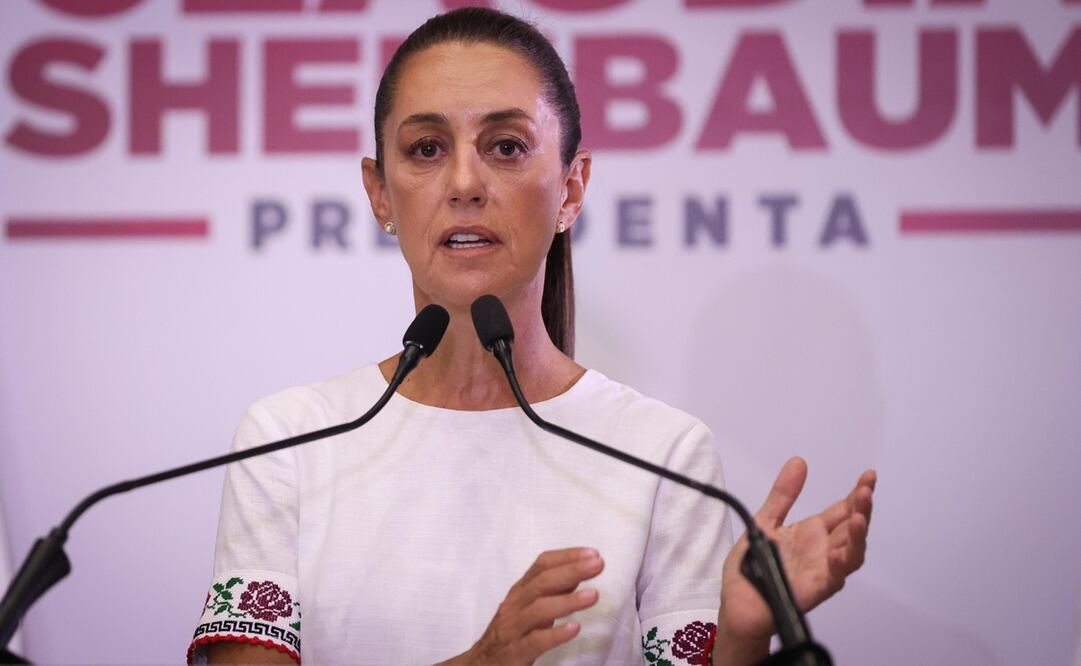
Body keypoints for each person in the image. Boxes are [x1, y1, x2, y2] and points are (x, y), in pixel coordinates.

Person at [188, 8, 875, 665]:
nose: (464, 183)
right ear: (379, 192)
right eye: (426, 149)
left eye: (506, 147)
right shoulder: (289, 440)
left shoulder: (663, 453)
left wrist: (743, 642)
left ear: (571, 189)